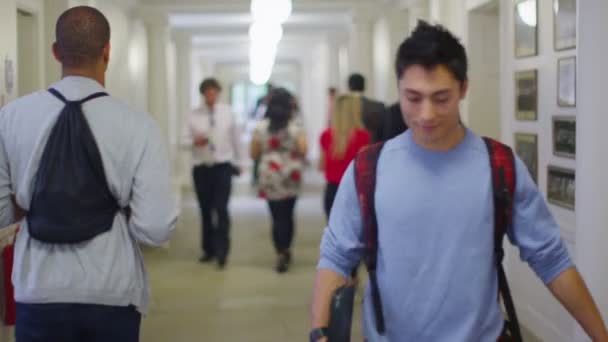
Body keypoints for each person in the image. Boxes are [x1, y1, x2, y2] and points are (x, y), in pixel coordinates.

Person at [310, 21, 608, 341]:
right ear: (398, 89)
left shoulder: (499, 167)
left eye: (441, 98)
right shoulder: (369, 169)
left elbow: (551, 258)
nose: (426, 114)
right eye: (413, 98)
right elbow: (337, 256)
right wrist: (319, 331)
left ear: (464, 88)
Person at [0, 6, 178, 341]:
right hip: (111, 291)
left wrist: (30, 204)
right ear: (108, 51)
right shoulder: (138, 126)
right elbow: (155, 227)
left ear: (56, 52)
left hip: (38, 290)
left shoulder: (10, 119)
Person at [249, 88, 307, 273]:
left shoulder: (260, 128)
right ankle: (287, 248)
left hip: (270, 175)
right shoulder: (296, 128)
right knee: (288, 215)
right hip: (291, 174)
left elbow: (253, 154)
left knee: (276, 217)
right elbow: (303, 150)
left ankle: (280, 251)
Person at [187, 77, 242, 269]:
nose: (211, 96)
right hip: (201, 167)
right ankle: (208, 249)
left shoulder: (228, 113)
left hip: (222, 165)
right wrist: (194, 142)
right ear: (203, 94)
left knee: (221, 208)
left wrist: (240, 161)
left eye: (214, 92)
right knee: (205, 210)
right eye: (207, 93)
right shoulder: (193, 115)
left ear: (218, 93)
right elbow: (182, 140)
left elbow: (236, 138)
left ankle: (222, 251)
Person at [319, 94, 370, 220]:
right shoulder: (364, 136)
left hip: (332, 190)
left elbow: (321, 166)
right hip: (354, 191)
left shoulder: (326, 135)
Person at [347, 73, 386, 143]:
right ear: (364, 86)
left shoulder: (341, 109)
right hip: (372, 149)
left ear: (349, 87)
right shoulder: (378, 106)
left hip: (347, 149)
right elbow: (384, 133)